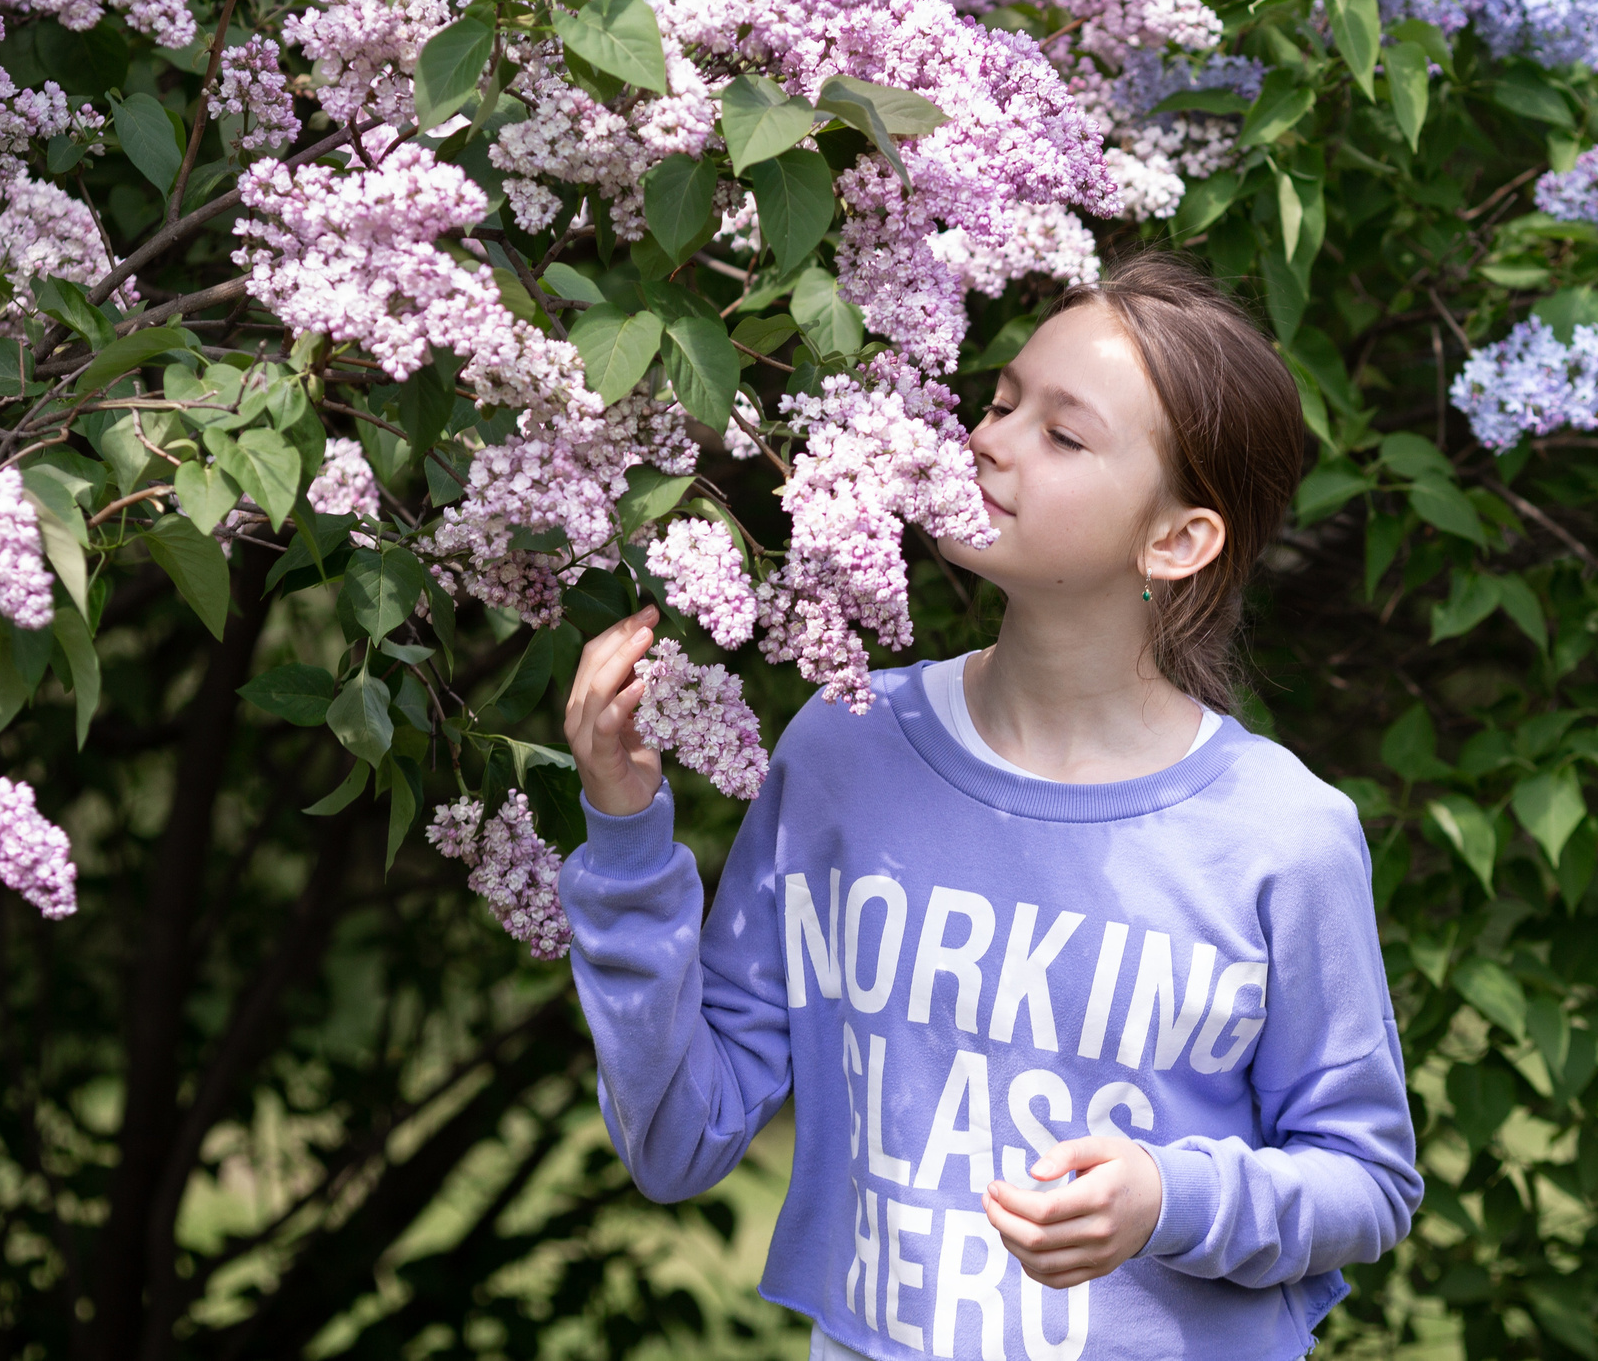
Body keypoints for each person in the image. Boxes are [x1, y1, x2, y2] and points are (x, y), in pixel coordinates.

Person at [561, 254, 1422, 1361]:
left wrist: (1169, 1199)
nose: (987, 440)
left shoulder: (1281, 836)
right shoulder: (844, 745)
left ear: (1176, 540)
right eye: (1002, 400)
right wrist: (626, 833)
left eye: (1063, 436)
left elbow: (1365, 1179)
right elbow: (679, 1138)